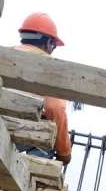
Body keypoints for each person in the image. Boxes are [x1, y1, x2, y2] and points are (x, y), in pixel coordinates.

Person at [15, 12, 72, 164]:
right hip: (25, 139)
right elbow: (55, 109)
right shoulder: (50, 67)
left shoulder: (2, 56)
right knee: (44, 136)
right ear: (48, 43)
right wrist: (64, 153)